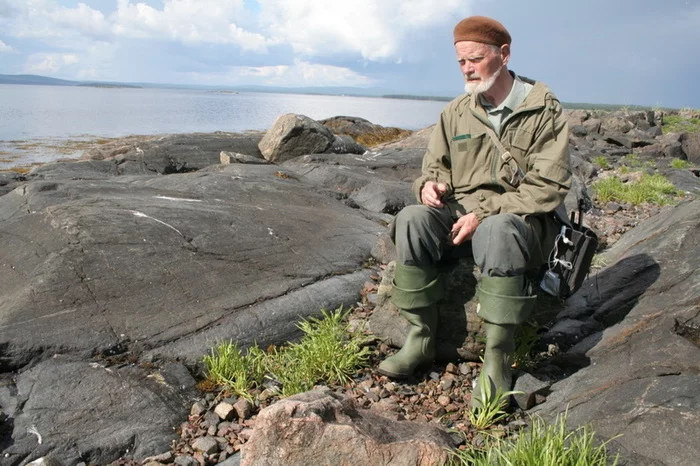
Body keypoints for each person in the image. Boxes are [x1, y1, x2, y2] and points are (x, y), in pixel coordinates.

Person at [377, 16, 571, 408]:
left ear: (503, 54)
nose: (467, 68)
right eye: (461, 62)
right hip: (460, 220)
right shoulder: (456, 113)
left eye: (475, 59)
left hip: (518, 226)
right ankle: (421, 338)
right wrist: (429, 186)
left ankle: (497, 358)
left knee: (498, 230)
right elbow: (434, 169)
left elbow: (548, 187)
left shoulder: (543, 110)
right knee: (413, 219)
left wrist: (483, 212)